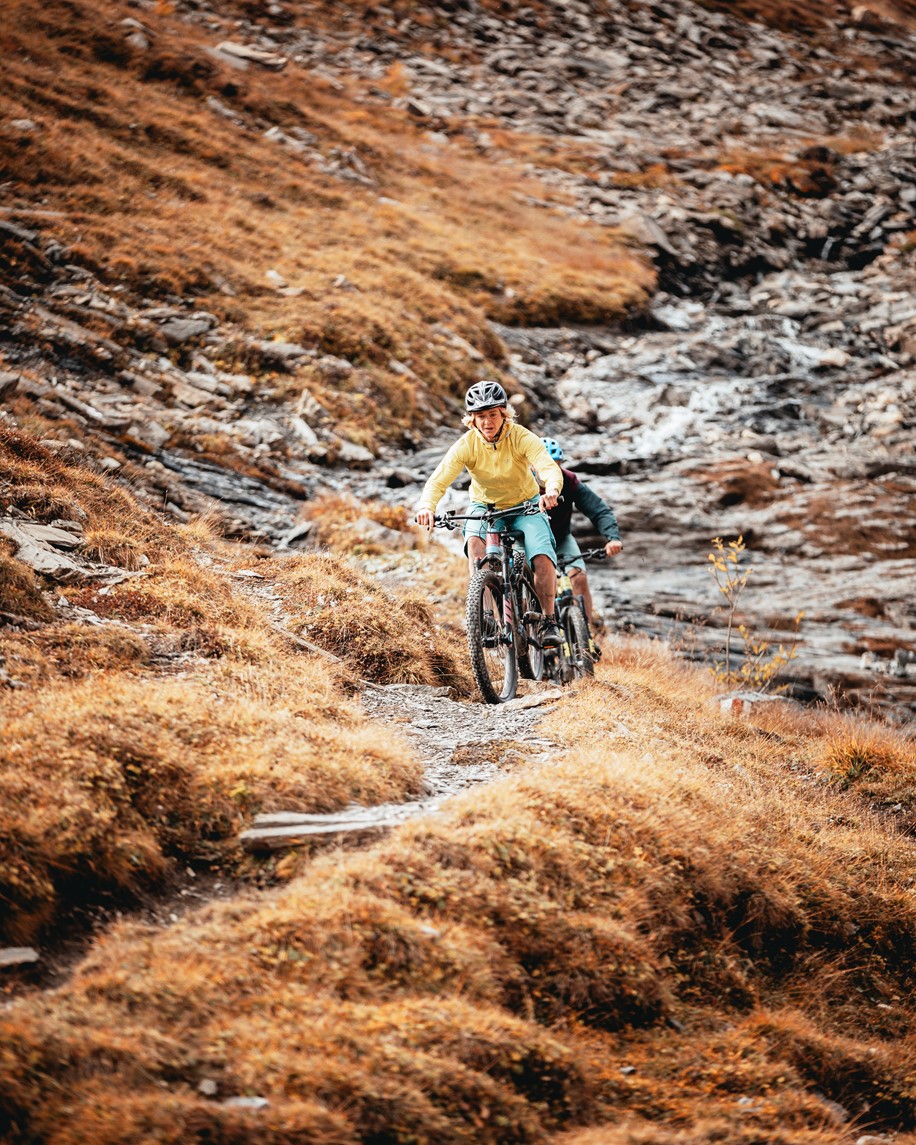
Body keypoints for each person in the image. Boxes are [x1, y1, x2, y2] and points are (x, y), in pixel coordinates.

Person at [415, 381, 565, 647]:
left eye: (493, 414)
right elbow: (438, 481)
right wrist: (427, 506)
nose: (487, 422)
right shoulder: (466, 444)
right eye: (481, 416)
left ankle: (549, 621)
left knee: (541, 556)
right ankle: (484, 615)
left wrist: (551, 489)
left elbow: (547, 467)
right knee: (475, 544)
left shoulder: (521, 437)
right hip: (485, 507)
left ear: (504, 414)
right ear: (472, 419)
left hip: (526, 505)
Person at [539, 437, 622, 626]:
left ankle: (585, 636)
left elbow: (598, 509)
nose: (551, 471)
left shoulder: (569, 481)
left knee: (579, 577)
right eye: (544, 466)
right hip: (530, 543)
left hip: (561, 539)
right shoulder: (521, 483)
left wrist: (612, 538)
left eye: (556, 465)